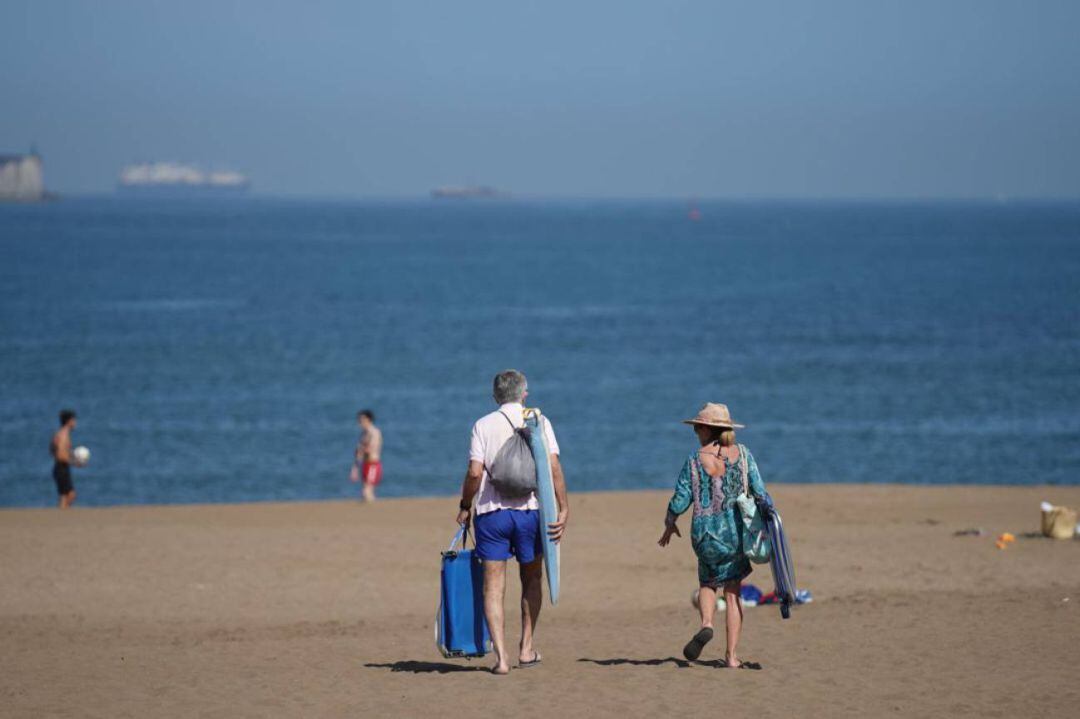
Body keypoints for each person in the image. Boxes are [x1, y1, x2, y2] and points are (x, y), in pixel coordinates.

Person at [456, 370, 569, 675]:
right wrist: (563, 507)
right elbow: (553, 466)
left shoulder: (482, 425)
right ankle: (526, 648)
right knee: (531, 580)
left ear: (495, 396)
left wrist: (466, 505)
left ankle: (502, 659)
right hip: (532, 513)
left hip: (492, 514)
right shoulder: (540, 422)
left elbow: (475, 473)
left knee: (493, 587)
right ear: (524, 394)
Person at [658, 402, 766, 669]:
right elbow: (760, 492)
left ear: (707, 429)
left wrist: (670, 523)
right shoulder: (743, 455)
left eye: (697, 427)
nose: (695, 431)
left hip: (704, 535)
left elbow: (680, 500)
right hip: (734, 535)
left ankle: (706, 623)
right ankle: (731, 657)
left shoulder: (695, 460)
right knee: (732, 593)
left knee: (707, 584)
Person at [49, 409, 83, 509]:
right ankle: (61, 516)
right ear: (69, 421)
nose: (75, 422)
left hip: (60, 467)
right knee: (68, 495)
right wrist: (75, 462)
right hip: (61, 467)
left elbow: (52, 449)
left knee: (66, 495)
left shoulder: (59, 434)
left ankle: (62, 514)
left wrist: (72, 456)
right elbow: (60, 455)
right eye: (74, 420)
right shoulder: (63, 435)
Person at [351, 410, 383, 502]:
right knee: (366, 491)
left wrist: (361, 449)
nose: (359, 422)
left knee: (367, 491)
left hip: (373, 464)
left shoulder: (375, 432)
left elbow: (372, 448)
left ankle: (373, 511)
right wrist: (355, 469)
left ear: (368, 420)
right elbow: (358, 453)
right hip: (365, 465)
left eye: (361, 420)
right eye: (359, 420)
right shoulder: (363, 434)